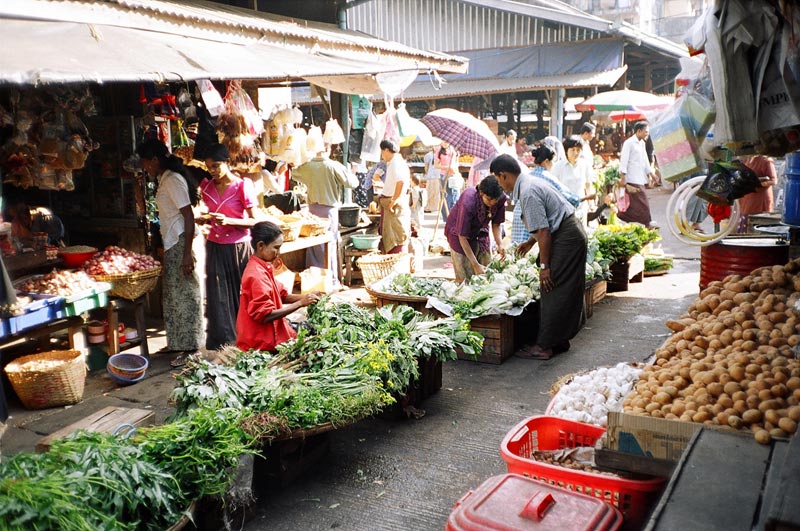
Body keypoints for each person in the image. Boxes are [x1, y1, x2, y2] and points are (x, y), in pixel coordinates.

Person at [491, 154, 586, 360]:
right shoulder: (529, 183)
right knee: (561, 288)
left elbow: (544, 230)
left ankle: (545, 346)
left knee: (551, 286)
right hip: (567, 232)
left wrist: (544, 266)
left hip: (566, 236)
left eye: (498, 179)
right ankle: (559, 340)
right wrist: (530, 242)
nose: (499, 184)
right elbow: (545, 224)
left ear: (504, 175)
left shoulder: (528, 192)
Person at [137, 139, 203, 367]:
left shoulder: (173, 181)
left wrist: (187, 253)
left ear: (155, 159)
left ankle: (190, 348)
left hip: (180, 241)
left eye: (146, 163)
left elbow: (188, 216)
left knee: (184, 294)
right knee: (174, 295)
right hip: (172, 242)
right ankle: (178, 343)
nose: (146, 167)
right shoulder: (164, 180)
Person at [199, 143, 259, 351]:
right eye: (209, 167)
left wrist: (231, 222)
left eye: (216, 166)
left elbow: (255, 221)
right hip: (215, 246)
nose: (213, 171)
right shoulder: (206, 186)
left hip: (238, 248)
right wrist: (205, 220)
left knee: (239, 294)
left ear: (227, 163)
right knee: (217, 295)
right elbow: (207, 214)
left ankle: (245, 339)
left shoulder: (242, 186)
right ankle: (224, 343)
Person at [236, 221, 321, 352]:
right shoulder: (256, 275)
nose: (278, 252)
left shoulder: (263, 266)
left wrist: (308, 297)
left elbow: (283, 295)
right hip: (260, 343)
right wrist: (300, 303)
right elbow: (265, 315)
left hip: (270, 334)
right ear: (260, 246)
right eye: (276, 247)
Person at [291, 143, 358, 278]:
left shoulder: (307, 166)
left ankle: (314, 278)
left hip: (312, 211)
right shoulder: (333, 166)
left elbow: (294, 174)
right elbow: (352, 183)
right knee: (330, 244)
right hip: (329, 211)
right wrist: (350, 172)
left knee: (313, 246)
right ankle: (330, 279)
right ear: (327, 150)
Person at [511, 145, 580, 245]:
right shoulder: (548, 177)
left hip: (519, 220)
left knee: (519, 254)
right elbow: (572, 199)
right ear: (546, 161)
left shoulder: (527, 176)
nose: (553, 165)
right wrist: (583, 198)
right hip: (533, 221)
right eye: (553, 161)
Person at [445, 175, 506, 282]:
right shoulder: (468, 201)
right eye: (489, 199)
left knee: (487, 274)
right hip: (458, 233)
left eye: (495, 200)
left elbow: (496, 224)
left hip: (480, 231)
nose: (492, 203)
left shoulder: (500, 198)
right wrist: (475, 264)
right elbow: (462, 236)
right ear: (481, 193)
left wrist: (499, 243)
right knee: (466, 278)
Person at [618, 121, 658, 228]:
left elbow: (645, 160)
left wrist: (651, 174)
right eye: (646, 132)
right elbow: (624, 160)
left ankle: (623, 216)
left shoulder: (642, 143)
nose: (647, 134)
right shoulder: (629, 143)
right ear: (639, 131)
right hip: (631, 177)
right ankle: (647, 222)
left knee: (635, 203)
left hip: (640, 177)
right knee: (642, 200)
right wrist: (623, 177)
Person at [551, 136, 595, 225]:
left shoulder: (585, 165)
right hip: (563, 209)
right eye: (573, 150)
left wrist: (591, 204)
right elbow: (553, 188)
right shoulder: (558, 167)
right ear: (566, 150)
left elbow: (588, 185)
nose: (575, 153)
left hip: (581, 207)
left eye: (578, 150)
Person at [378, 139, 411, 254]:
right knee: (393, 235)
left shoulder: (396, 162)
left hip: (395, 205)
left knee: (396, 237)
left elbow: (400, 182)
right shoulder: (394, 162)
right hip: (392, 203)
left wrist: (394, 200)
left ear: (386, 150)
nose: (382, 156)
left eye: (382, 152)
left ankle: (396, 266)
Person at [737, 155, 777, 233]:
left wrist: (757, 183)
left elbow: (773, 180)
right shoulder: (747, 159)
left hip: (759, 200)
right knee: (744, 225)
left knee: (756, 226)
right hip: (746, 200)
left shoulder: (765, 160)